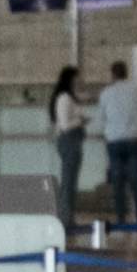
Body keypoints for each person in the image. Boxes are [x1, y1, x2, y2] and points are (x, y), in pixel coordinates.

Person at [96, 59, 137, 225]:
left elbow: (101, 119)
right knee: (136, 180)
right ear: (126, 73)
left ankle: (121, 218)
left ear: (113, 74)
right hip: (133, 138)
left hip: (114, 141)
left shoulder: (106, 93)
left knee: (117, 181)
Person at [46, 63, 86, 229]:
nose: (79, 80)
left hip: (72, 141)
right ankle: (64, 219)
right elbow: (64, 125)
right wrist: (81, 121)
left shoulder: (69, 97)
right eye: (77, 78)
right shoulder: (64, 98)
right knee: (68, 182)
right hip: (69, 141)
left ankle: (68, 217)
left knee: (71, 181)